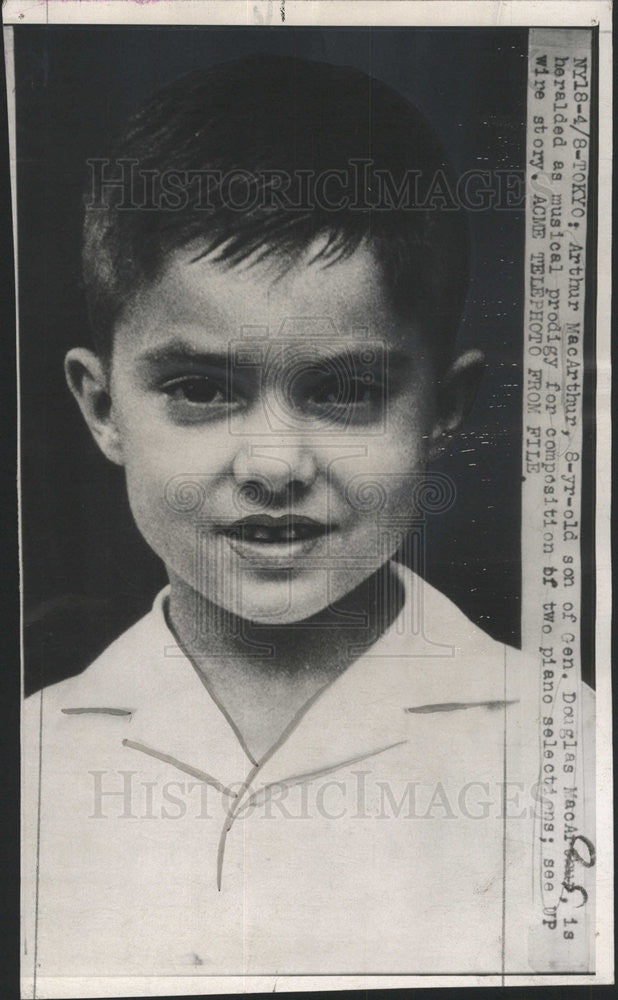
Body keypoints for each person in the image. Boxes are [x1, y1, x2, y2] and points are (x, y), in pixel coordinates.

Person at [22, 54, 594, 981]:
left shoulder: (571, 754)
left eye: (346, 391)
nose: (275, 464)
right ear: (101, 407)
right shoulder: (35, 755)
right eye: (201, 389)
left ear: (445, 410)